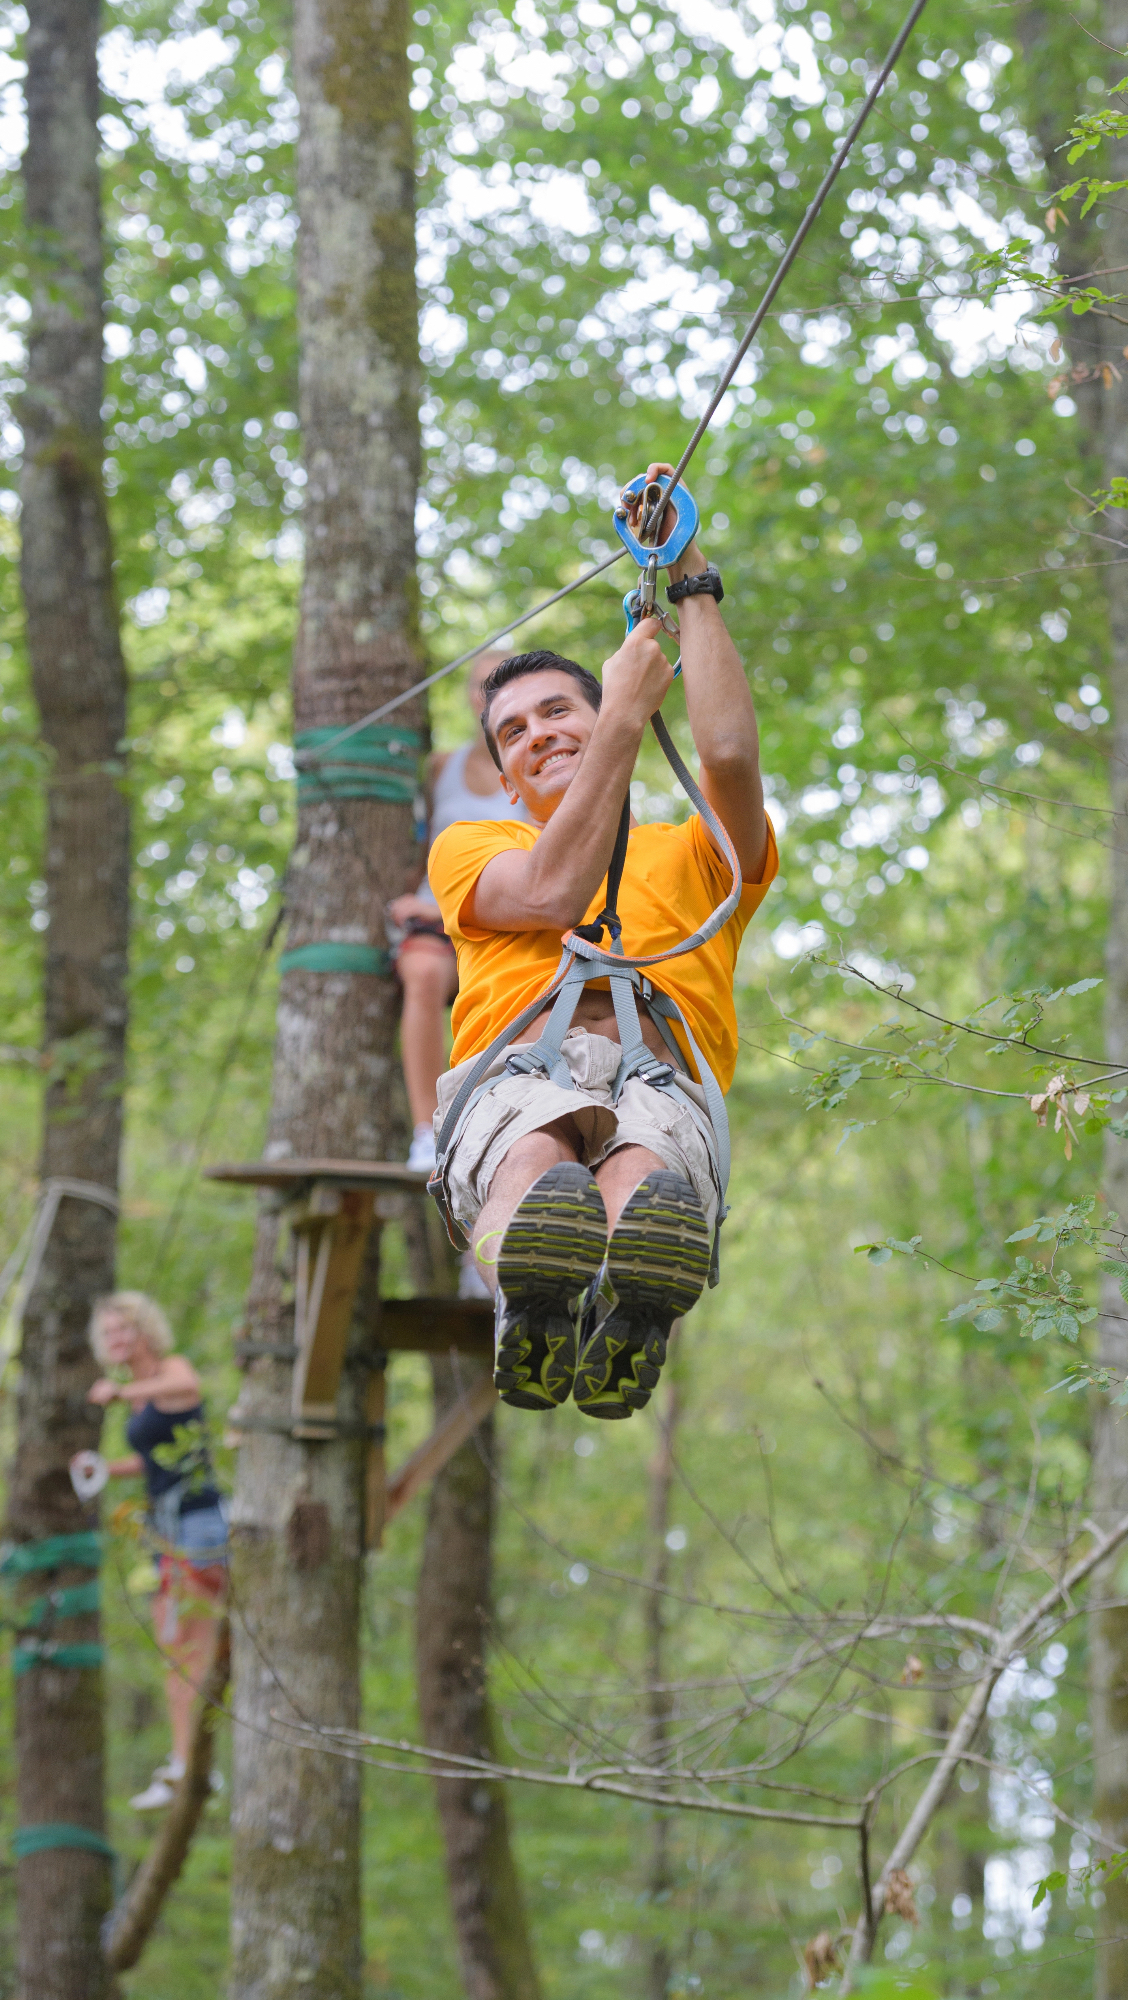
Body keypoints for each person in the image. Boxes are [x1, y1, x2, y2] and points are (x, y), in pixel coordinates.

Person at [428, 462, 777, 1420]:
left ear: (607, 713)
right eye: (512, 732)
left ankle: (633, 1299)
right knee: (530, 1160)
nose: (537, 733)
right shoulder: (474, 849)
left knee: (642, 1179)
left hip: (659, 1068)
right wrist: (620, 711)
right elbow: (551, 891)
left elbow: (732, 757)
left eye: (558, 711)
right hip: (514, 1067)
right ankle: (529, 1300)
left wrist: (690, 575)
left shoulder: (696, 855)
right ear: (503, 778)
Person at [389, 650, 531, 1177]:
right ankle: (428, 1131)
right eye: (481, 685)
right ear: (471, 697)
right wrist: (409, 900)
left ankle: (505, 1142)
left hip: (509, 918)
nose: (490, 694)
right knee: (423, 974)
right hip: (439, 917)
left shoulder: (539, 758)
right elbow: (416, 845)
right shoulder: (441, 768)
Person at [87, 1290, 229, 1810]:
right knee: (176, 1654)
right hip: (167, 1527)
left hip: (198, 1523)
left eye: (123, 1329)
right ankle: (185, 1762)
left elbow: (188, 1386)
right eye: (108, 1334)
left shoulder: (167, 1373)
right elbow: (156, 1462)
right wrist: (106, 1470)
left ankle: (195, 1768)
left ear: (145, 1330)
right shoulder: (141, 1392)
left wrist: (121, 1395)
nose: (117, 1341)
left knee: (189, 1647)